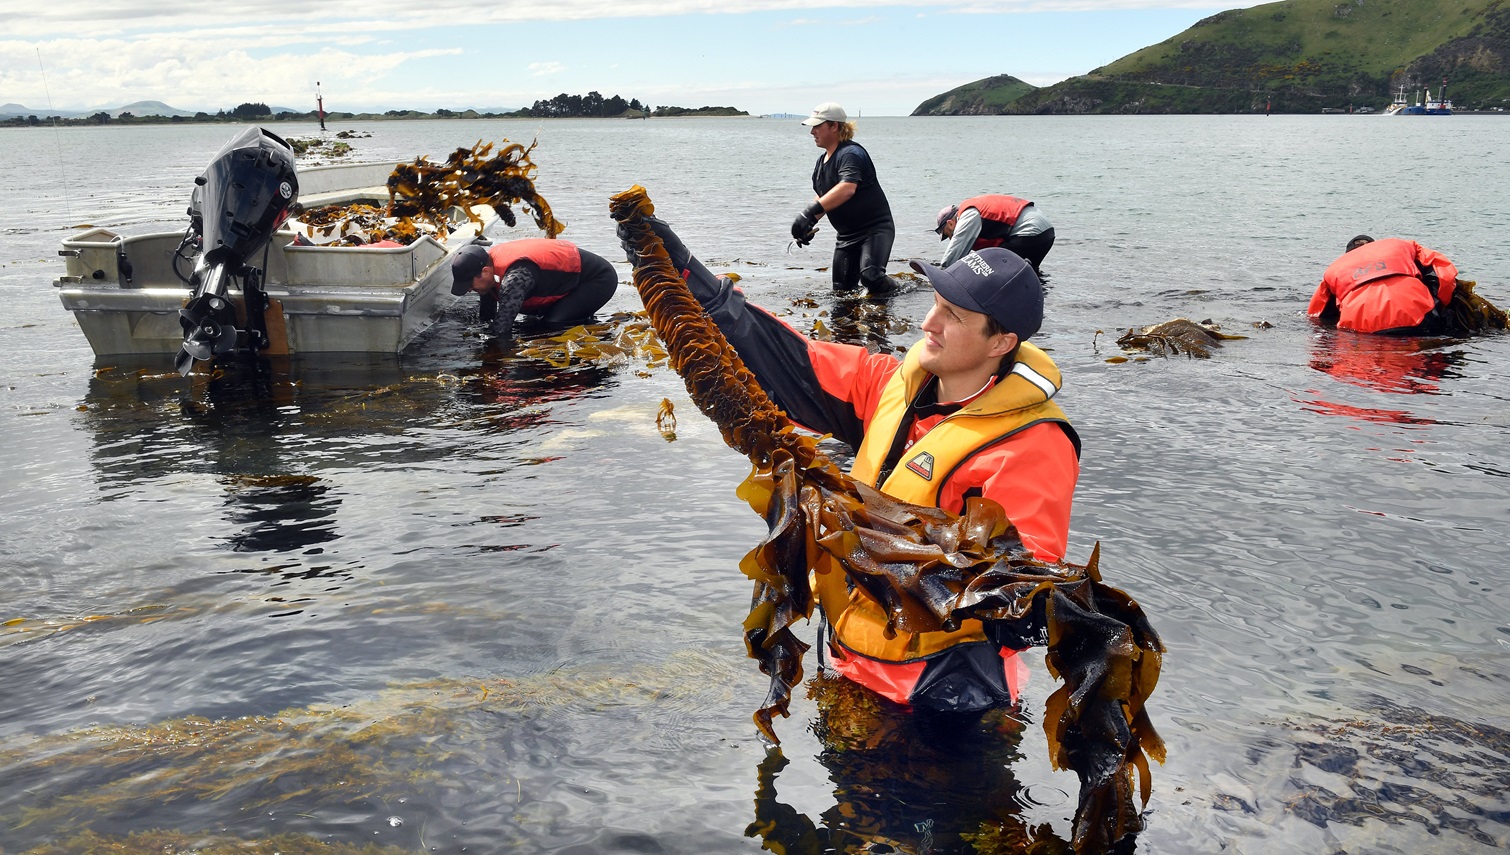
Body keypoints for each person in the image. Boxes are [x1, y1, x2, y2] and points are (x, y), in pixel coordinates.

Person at [620, 214, 1081, 717]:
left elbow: (1026, 603)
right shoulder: (892, 383)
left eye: (954, 315)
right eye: (935, 303)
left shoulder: (1033, 446)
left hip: (943, 696)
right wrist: (685, 274)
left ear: (1001, 343)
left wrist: (871, 538)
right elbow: (787, 360)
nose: (929, 323)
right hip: (849, 659)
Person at [791, 102, 902, 296]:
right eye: (812, 127)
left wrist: (808, 212)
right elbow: (826, 195)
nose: (812, 132)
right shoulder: (822, 161)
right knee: (841, 292)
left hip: (874, 229)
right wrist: (809, 222)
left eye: (817, 126)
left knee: (871, 276)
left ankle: (904, 294)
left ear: (834, 126)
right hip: (846, 237)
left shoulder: (851, 154)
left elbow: (847, 188)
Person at [450, 239, 617, 339]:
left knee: (552, 324)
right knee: (533, 323)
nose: (469, 290)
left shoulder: (514, 279)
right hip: (567, 281)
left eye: (469, 284)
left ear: (485, 272)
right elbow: (488, 317)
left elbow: (502, 328)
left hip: (598, 279)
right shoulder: (488, 272)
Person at [1307, 235, 1457, 334]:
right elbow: (1444, 275)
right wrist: (1441, 305)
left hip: (1361, 326)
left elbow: (1318, 314)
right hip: (1416, 313)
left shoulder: (1334, 269)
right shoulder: (1403, 245)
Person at [934, 194, 1056, 271]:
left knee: (990, 270)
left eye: (949, 234)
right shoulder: (975, 208)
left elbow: (958, 244)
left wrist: (942, 273)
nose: (951, 239)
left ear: (950, 223)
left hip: (1029, 231)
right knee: (1028, 272)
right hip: (1046, 232)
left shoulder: (968, 214)